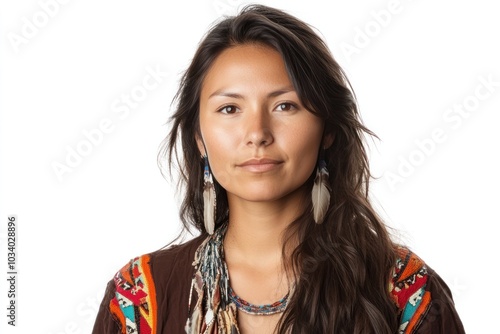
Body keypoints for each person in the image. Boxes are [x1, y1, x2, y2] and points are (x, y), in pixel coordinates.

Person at [92, 4, 465, 333]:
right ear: (199, 138)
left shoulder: (404, 291)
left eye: (285, 106)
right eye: (230, 109)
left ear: (329, 130)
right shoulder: (139, 299)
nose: (257, 134)